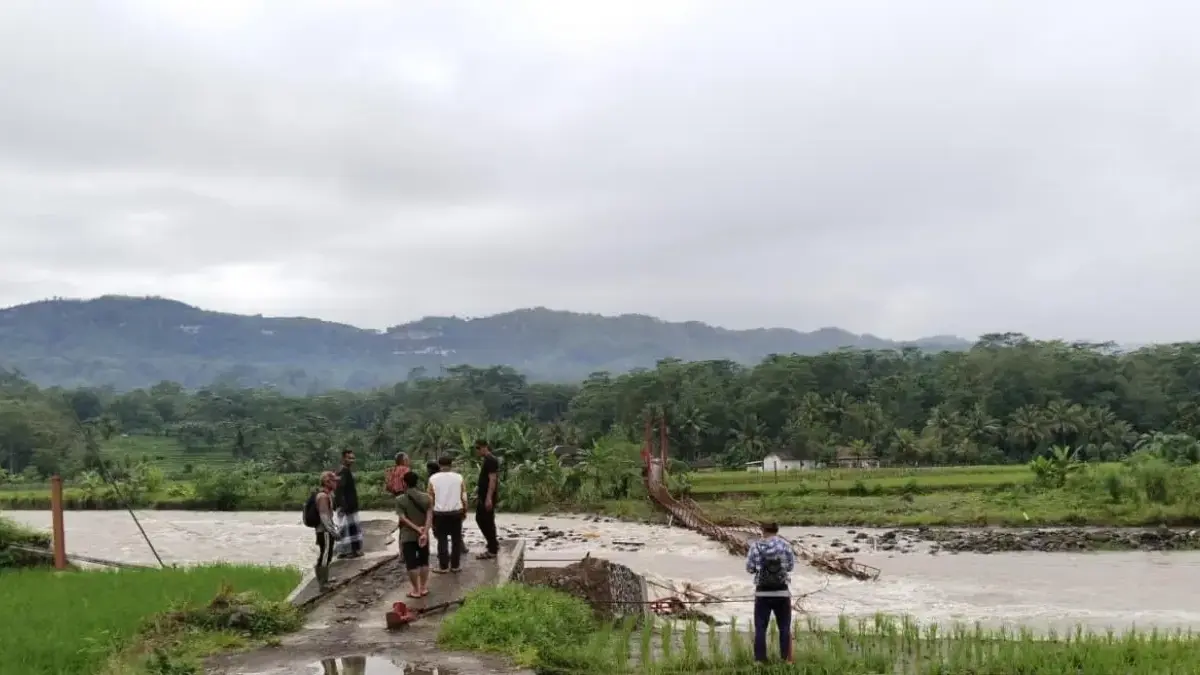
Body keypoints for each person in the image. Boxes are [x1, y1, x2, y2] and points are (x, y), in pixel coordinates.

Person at [745, 522, 796, 663]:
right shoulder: (785, 546)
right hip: (782, 592)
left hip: (762, 593)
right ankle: (786, 660)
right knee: (784, 627)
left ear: (762, 530)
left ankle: (760, 661)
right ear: (777, 530)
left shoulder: (755, 546)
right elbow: (790, 567)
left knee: (760, 628)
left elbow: (749, 568)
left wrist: (759, 569)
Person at [395, 470, 432, 598]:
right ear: (417, 482)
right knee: (424, 561)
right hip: (424, 536)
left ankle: (415, 590)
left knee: (411, 563)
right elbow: (429, 516)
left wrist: (416, 529)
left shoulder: (400, 499)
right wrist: (424, 532)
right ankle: (423, 587)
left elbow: (403, 518)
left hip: (408, 535)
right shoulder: (427, 497)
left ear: (404, 483)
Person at [428, 455, 467, 573]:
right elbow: (464, 496)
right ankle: (455, 566)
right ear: (451, 464)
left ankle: (443, 567)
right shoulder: (459, 478)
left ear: (439, 465)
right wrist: (464, 510)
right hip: (456, 513)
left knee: (442, 540)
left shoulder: (433, 479)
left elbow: (430, 498)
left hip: (439, 514)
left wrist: (430, 515)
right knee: (456, 540)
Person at [310, 470, 341, 591]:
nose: (336, 484)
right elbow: (324, 517)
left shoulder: (326, 495)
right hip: (324, 532)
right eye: (334, 481)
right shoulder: (322, 497)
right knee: (325, 556)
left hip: (324, 531)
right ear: (327, 482)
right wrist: (334, 532)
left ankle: (325, 580)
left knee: (326, 555)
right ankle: (323, 583)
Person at [334, 449, 364, 558]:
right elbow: (340, 490)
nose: (351, 460)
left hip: (346, 505)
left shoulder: (341, 470)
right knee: (350, 529)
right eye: (349, 458)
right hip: (347, 506)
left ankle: (345, 551)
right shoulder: (344, 471)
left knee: (346, 529)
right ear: (343, 458)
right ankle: (351, 551)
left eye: (352, 458)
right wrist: (343, 505)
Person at [474, 439, 500, 559]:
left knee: (483, 520)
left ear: (485, 447)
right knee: (488, 520)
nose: (477, 451)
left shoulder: (490, 460)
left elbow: (492, 479)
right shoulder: (487, 460)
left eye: (478, 448)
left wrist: (488, 498)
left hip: (487, 497)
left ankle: (492, 549)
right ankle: (493, 544)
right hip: (484, 495)